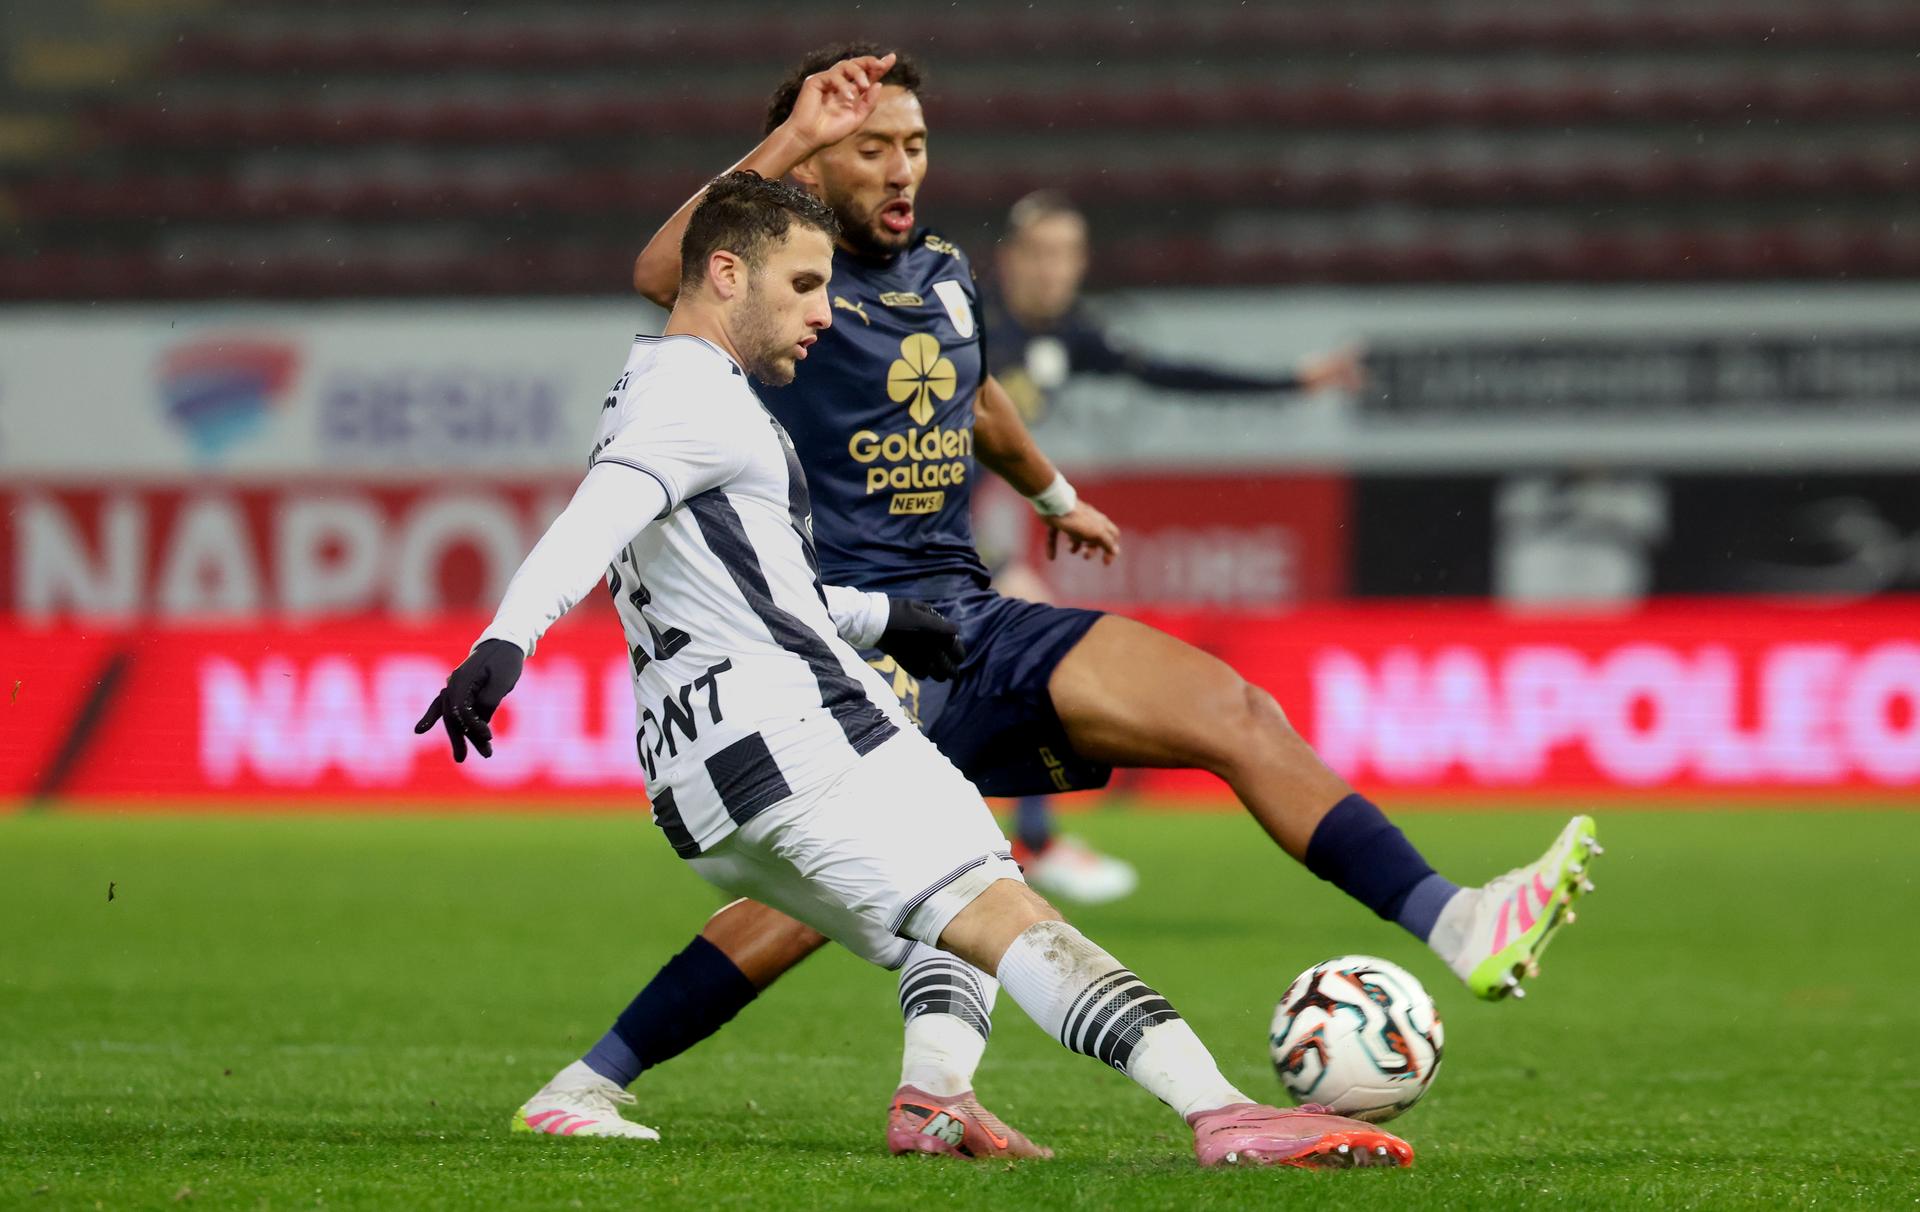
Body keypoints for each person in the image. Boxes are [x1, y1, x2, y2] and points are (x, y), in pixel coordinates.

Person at [516, 45, 1599, 1154]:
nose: (901, 170)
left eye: (916, 146)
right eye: (870, 146)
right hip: (845, 642)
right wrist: (792, 132)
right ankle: (607, 1077)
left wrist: (1052, 492)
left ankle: (1457, 919)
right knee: (884, 890)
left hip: (967, 614)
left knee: (1230, 710)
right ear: (811, 165)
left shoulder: (941, 269)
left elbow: (974, 393)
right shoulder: (779, 275)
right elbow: (668, 272)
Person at [415, 170, 1415, 1169]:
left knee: (962, 890)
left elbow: (758, 588)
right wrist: (503, 642)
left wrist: (886, 615)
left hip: (699, 782)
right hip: (800, 741)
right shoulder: (695, 400)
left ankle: (659, 1095)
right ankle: (1222, 1113)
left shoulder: (655, 387)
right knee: (1004, 915)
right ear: (725, 273)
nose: (822, 310)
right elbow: (592, 519)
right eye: (804, 284)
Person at [982, 189, 1370, 904]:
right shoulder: (962, 322)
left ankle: (1025, 844)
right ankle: (1016, 845)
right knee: (1015, 651)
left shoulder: (1068, 336)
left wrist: (1293, 380)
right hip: (897, 530)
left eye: (1067, 254)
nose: (1052, 269)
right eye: (1039, 253)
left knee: (1025, 645)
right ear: (1007, 259)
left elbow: (1169, 375)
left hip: (954, 535)